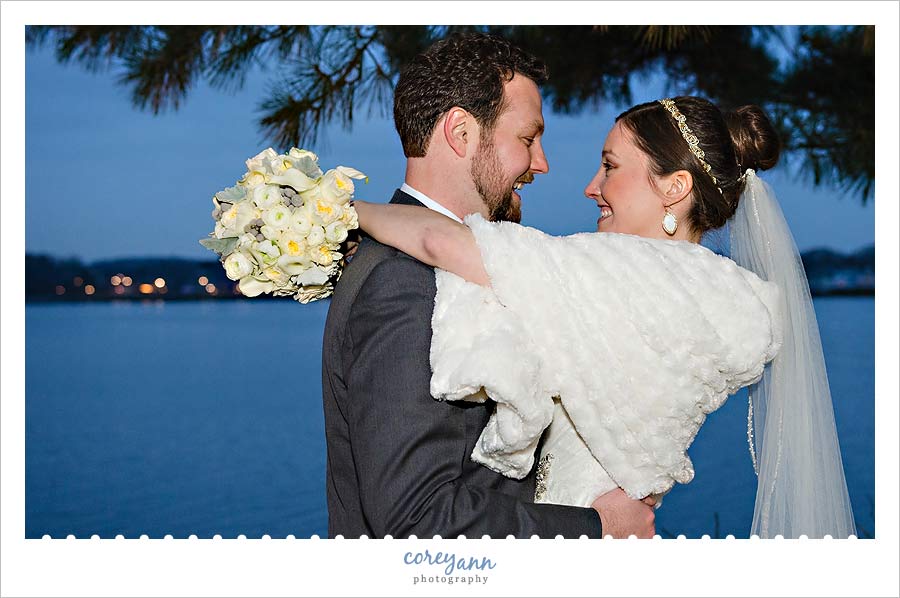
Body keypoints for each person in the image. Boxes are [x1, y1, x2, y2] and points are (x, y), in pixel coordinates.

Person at [354, 96, 858, 539]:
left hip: (573, 539)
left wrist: (338, 211)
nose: (591, 187)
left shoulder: (617, 274)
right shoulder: (723, 295)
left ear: (675, 187)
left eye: (610, 167)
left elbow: (437, 239)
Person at [321, 32, 656, 539]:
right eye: (527, 139)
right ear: (460, 131)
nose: (541, 162)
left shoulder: (459, 262)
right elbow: (415, 517)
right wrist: (597, 527)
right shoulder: (405, 280)